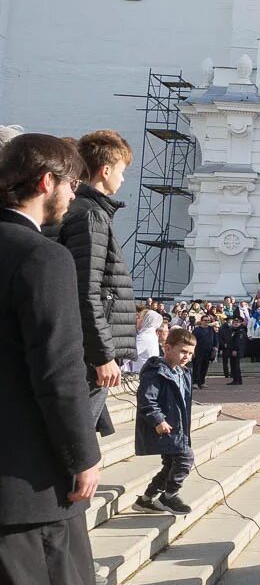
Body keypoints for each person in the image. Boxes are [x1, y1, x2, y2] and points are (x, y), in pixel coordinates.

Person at [0, 133, 101, 585]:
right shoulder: (42, 256)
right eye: (69, 184)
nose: (72, 195)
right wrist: (82, 456)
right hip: (32, 490)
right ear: (46, 182)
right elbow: (59, 371)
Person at [52, 129, 135, 439]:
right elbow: (87, 289)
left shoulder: (90, 211)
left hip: (92, 346)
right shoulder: (91, 217)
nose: (123, 180)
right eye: (122, 172)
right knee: (77, 440)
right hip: (94, 354)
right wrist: (102, 355)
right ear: (106, 170)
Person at [133, 327, 196, 514]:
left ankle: (145, 500)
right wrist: (158, 420)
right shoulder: (156, 371)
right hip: (165, 426)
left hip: (179, 426)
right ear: (167, 348)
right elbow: (147, 398)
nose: (187, 357)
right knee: (185, 458)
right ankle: (169, 497)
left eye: (190, 353)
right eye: (183, 351)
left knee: (170, 465)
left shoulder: (183, 372)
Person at [190, 311, 217, 387]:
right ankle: (195, 382)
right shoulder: (197, 330)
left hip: (208, 351)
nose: (207, 322)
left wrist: (215, 348)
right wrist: (192, 351)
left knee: (205, 367)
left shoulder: (211, 329)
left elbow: (215, 339)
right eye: (205, 320)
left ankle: (202, 382)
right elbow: (193, 341)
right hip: (198, 351)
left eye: (208, 321)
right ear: (201, 321)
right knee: (197, 367)